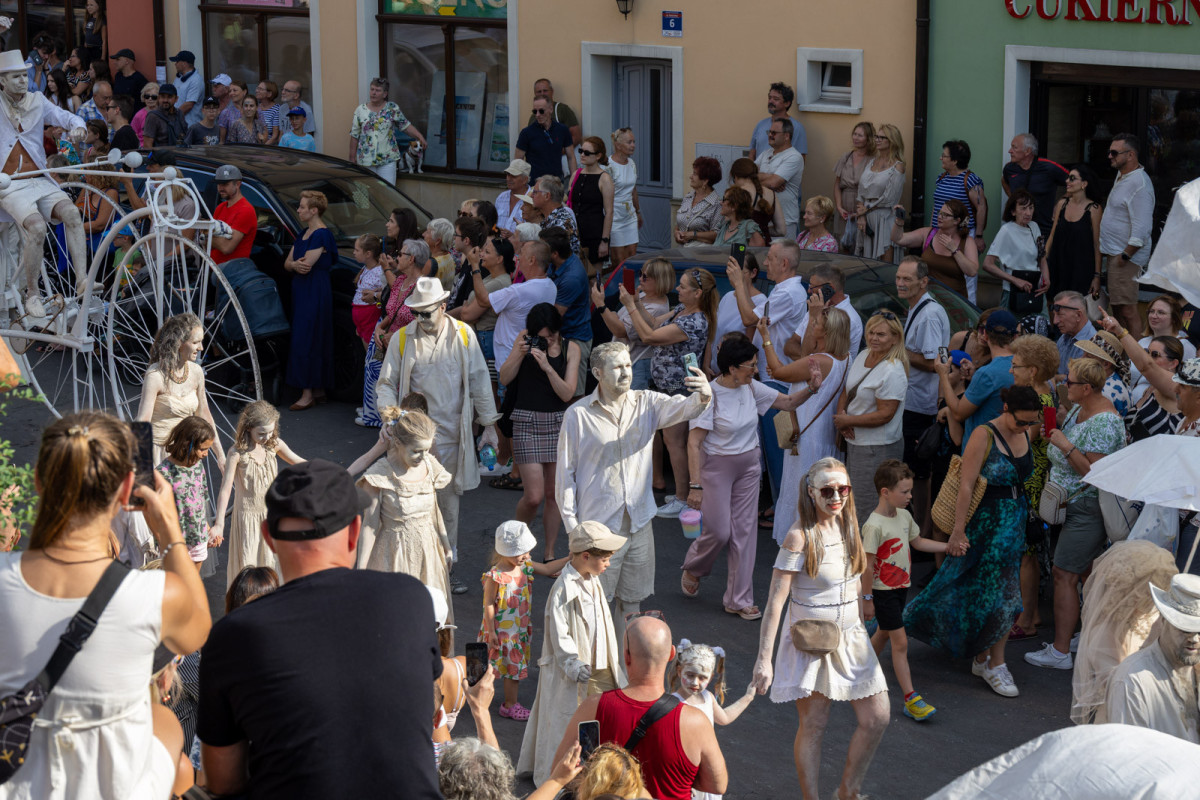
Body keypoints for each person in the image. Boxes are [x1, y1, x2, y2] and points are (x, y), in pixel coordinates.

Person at [197, 459, 443, 799]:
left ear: (269, 538)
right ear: (355, 531)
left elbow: (224, 781)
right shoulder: (412, 598)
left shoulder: (232, 636)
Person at [0, 411, 211, 799]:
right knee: (164, 722)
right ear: (129, 485)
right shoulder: (154, 595)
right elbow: (199, 627)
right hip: (113, 787)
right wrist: (169, 528)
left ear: (38, 481)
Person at [752, 457, 889, 800]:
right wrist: (763, 660)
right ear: (811, 493)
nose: (836, 497)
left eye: (843, 489)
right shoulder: (799, 536)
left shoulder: (850, 525)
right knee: (814, 724)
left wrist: (865, 616)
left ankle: (847, 791)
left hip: (852, 636)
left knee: (878, 717)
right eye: (827, 490)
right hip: (812, 638)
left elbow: (856, 583)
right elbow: (774, 601)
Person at [556, 342, 712, 640]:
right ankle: (597, 671)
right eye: (617, 367)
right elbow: (564, 475)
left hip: (639, 523)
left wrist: (704, 391)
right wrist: (573, 528)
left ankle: (626, 670)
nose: (626, 372)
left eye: (628, 365)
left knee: (632, 602)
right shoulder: (577, 415)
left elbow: (689, 406)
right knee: (595, 605)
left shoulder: (648, 402)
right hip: (598, 528)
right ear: (598, 373)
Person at [906, 387, 1040, 698]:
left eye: (1030, 423)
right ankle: (988, 661)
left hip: (1014, 524)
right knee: (970, 587)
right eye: (1021, 421)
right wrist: (958, 529)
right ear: (1006, 408)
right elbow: (965, 485)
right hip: (985, 525)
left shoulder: (1029, 430)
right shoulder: (985, 433)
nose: (1026, 428)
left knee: (1003, 595)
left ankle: (989, 660)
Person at [372, 276, 502, 576]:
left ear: (443, 307)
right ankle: (410, 569)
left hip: (452, 437)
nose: (420, 318)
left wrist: (490, 427)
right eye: (415, 312)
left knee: (448, 507)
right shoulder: (404, 337)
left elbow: (480, 382)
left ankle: (446, 568)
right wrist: (391, 417)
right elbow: (386, 384)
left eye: (425, 312)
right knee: (407, 504)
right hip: (412, 439)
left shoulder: (463, 335)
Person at [680, 332, 816, 619]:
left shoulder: (752, 388)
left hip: (748, 466)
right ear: (732, 369)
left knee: (745, 533)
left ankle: (739, 599)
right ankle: (694, 566)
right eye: (751, 365)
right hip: (716, 467)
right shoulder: (709, 394)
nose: (756, 369)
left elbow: (789, 403)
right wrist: (695, 485)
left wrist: (812, 389)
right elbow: (693, 442)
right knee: (719, 531)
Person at [553, 615, 729, 800]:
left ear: (626, 656)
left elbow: (561, 772)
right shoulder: (695, 722)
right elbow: (718, 785)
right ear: (671, 655)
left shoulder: (593, 707)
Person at [1025, 358, 1124, 671]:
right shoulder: (1081, 410)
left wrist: (1065, 446)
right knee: (1084, 574)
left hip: (1086, 506)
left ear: (1087, 388)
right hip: (1071, 504)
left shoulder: (1105, 421)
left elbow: (1095, 472)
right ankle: (1088, 635)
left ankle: (1060, 652)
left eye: (1069, 382)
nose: (1063, 385)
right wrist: (1053, 435)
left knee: (1064, 575)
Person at [517, 521, 628, 786]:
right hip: (578, 672)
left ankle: (599, 772)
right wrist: (573, 664)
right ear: (586, 556)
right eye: (606, 558)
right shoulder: (564, 588)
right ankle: (562, 778)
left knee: (602, 721)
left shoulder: (593, 578)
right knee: (570, 723)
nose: (609, 564)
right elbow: (559, 633)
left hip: (601, 666)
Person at [620, 267, 719, 518]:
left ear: (697, 293)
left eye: (683, 286)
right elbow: (654, 322)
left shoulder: (693, 321)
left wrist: (629, 307)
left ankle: (683, 498)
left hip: (679, 389)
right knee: (672, 442)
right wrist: (635, 302)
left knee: (675, 443)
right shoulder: (681, 310)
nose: (677, 289)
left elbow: (650, 336)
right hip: (669, 388)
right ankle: (681, 494)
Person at [0, 51, 89, 316]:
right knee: (37, 227)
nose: (21, 81)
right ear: (2, 82)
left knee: (73, 213)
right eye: (14, 77)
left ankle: (82, 280)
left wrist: (79, 125)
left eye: (23, 75)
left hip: (39, 178)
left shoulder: (38, 100)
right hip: (9, 183)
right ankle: (32, 294)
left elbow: (67, 117)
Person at [860, 460, 948, 719]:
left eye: (910, 491)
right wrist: (867, 599)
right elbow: (867, 567)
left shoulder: (905, 516)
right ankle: (911, 698)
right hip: (882, 591)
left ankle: (859, 671)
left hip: (900, 588)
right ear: (885, 492)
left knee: (885, 632)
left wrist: (947, 547)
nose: (911, 496)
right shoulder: (873, 525)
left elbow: (918, 542)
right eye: (905, 491)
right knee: (900, 642)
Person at [765, 308, 853, 544]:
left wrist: (765, 338)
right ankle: (819, 538)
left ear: (827, 330)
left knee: (802, 486)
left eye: (817, 321)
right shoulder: (845, 359)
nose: (812, 323)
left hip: (807, 434)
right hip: (824, 433)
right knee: (821, 487)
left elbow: (779, 372)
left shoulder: (820, 361)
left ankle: (799, 540)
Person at [499, 304, 580, 558]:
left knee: (554, 495)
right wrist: (518, 354)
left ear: (558, 331)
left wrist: (546, 366)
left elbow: (567, 392)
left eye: (550, 336)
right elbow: (504, 378)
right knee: (533, 496)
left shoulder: (571, 348)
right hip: (526, 421)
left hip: (557, 422)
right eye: (541, 337)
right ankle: (516, 544)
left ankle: (549, 551)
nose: (545, 341)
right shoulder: (524, 340)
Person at [1071, 540, 1178, 726]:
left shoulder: (1153, 618)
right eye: (1150, 595)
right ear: (1131, 593)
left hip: (1160, 708)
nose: (1155, 603)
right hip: (1124, 715)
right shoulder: (1103, 636)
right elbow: (1117, 685)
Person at [479, 520, 570, 721]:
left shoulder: (525, 567)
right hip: (498, 630)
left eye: (527, 552)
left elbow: (547, 570)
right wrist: (491, 631)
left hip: (517, 631)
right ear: (505, 551)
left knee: (513, 667)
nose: (527, 556)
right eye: (522, 553)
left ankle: (509, 705)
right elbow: (488, 604)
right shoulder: (496, 576)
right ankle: (477, 696)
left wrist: (569, 558)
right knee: (488, 666)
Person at [211, 401, 305, 588]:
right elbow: (225, 489)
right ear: (248, 428)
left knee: (271, 564)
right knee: (250, 566)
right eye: (261, 433)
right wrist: (219, 523)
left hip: (271, 516)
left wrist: (324, 471)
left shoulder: (274, 445)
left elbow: (297, 461)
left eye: (270, 431)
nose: (266, 436)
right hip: (248, 519)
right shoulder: (237, 453)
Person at [1006, 334, 1061, 641]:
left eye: (1016, 365)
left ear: (1033, 371)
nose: (1011, 370)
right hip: (1032, 477)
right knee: (1028, 551)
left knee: (1027, 553)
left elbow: (1027, 441)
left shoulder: (1039, 400)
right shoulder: (1045, 394)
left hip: (1031, 480)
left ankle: (1027, 618)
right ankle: (1031, 612)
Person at [834, 310, 910, 523]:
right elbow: (846, 390)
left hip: (877, 447)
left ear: (895, 338)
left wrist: (848, 421)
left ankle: (868, 554)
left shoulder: (893, 370)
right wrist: (842, 418)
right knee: (856, 502)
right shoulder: (863, 355)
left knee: (868, 507)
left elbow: (886, 414)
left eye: (881, 335)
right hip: (856, 443)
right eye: (871, 332)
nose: (874, 338)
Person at [1105, 574, 1200, 741]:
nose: (1194, 639)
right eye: (1185, 629)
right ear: (1163, 620)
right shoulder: (1132, 680)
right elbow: (1130, 755)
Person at [895, 257, 951, 532]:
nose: (901, 284)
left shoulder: (928, 314)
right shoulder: (922, 309)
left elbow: (934, 363)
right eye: (899, 278)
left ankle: (921, 531)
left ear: (923, 282)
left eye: (907, 279)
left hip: (921, 405)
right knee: (915, 471)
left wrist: (897, 350)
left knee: (918, 474)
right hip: (917, 401)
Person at [667, 639, 756, 799]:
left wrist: (748, 697)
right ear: (679, 671)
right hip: (685, 774)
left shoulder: (708, 697)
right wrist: (683, 780)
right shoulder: (671, 703)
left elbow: (725, 717)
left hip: (706, 772)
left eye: (702, 678)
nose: (695, 682)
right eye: (690, 675)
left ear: (711, 677)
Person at [136, 313, 224, 467]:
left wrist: (221, 456)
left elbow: (205, 415)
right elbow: (143, 420)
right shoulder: (155, 376)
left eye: (201, 342)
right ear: (179, 343)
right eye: (195, 342)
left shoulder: (196, 372)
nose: (201, 348)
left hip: (186, 452)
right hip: (160, 455)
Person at [283, 189, 335, 411]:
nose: (298, 210)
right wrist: (293, 265)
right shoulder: (304, 232)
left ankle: (308, 393)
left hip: (314, 290)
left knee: (308, 337)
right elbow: (289, 263)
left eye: (302, 207)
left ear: (314, 211)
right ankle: (318, 389)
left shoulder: (322, 234)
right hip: (304, 291)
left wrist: (294, 265)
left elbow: (304, 266)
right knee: (310, 335)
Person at [1100, 133, 1155, 338]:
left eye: (1114, 153)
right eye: (1109, 152)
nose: (1110, 156)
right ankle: (1123, 356)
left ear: (1130, 155)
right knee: (1118, 311)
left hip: (1125, 257)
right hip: (1116, 254)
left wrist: (1125, 256)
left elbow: (1142, 228)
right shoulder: (1124, 175)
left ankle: (1135, 361)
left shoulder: (1139, 183)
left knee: (1128, 310)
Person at [939, 309, 1017, 449]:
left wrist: (943, 375)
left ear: (986, 334)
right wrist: (975, 376)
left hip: (981, 453)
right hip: (1008, 449)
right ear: (1015, 337)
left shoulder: (987, 373)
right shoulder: (1019, 364)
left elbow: (958, 413)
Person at [591, 256, 672, 390]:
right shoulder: (641, 296)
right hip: (628, 362)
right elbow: (617, 317)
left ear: (659, 281)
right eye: (640, 274)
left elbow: (620, 331)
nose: (640, 279)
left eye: (645, 277)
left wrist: (600, 304)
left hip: (636, 366)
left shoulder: (656, 308)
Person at [931, 140, 988, 297]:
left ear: (955, 161)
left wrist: (978, 235)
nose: (941, 158)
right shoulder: (942, 178)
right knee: (941, 274)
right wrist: (931, 230)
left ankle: (969, 315)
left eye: (944, 155)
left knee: (966, 280)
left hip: (962, 235)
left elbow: (981, 207)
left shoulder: (970, 181)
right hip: (939, 234)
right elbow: (936, 206)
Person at [891, 199, 979, 298]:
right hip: (928, 297)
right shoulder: (928, 233)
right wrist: (899, 221)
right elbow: (898, 239)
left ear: (956, 221)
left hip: (954, 301)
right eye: (939, 213)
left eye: (945, 215)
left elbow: (972, 271)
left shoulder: (967, 241)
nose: (939, 217)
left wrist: (954, 250)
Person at [1042, 163, 1103, 303]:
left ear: (1084, 184)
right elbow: (1052, 235)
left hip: (1081, 268)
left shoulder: (1094, 209)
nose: (1067, 181)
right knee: (1054, 304)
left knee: (1076, 307)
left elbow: (1096, 244)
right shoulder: (1062, 204)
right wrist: (1043, 262)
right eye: (1068, 178)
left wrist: (1097, 276)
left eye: (1072, 178)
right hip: (1058, 264)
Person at [350, 77, 426, 183]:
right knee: (366, 193)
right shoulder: (360, 110)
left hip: (387, 160)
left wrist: (419, 136)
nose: (374, 93)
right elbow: (354, 135)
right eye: (372, 89)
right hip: (365, 160)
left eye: (377, 90)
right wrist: (352, 159)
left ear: (385, 94)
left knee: (387, 191)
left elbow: (405, 126)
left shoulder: (392, 108)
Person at [984, 189, 1044, 311]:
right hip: (1014, 291)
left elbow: (1042, 255)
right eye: (1023, 208)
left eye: (1031, 208)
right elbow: (987, 265)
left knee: (1040, 327)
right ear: (1013, 211)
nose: (1028, 212)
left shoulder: (1034, 226)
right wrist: (1014, 280)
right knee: (1012, 328)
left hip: (1035, 289)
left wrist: (1046, 278)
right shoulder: (1006, 231)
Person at [855, 124, 905, 261]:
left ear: (892, 141)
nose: (877, 140)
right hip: (866, 217)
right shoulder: (871, 162)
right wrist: (861, 216)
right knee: (866, 262)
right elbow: (860, 192)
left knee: (885, 263)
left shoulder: (898, 166)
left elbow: (890, 198)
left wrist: (866, 210)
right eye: (877, 136)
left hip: (884, 217)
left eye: (882, 137)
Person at [1001, 133, 1069, 233]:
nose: (1009, 151)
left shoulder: (1049, 167)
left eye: (1014, 148)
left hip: (1044, 229)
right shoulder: (1009, 168)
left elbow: (1077, 181)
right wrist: (1013, 198)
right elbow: (1004, 180)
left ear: (1027, 151)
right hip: (1019, 227)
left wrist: (1061, 203)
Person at [1132, 295, 1196, 396]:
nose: (1153, 316)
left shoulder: (1185, 347)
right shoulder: (1142, 342)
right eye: (1151, 311)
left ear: (1174, 318)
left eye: (1161, 312)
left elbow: (1190, 386)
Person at [570, 136, 615, 269]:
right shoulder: (576, 174)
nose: (582, 155)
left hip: (594, 234)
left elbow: (609, 212)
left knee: (594, 278)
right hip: (576, 233)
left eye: (587, 153)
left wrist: (604, 241)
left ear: (598, 156)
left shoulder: (604, 179)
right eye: (581, 151)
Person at [756, 117, 805, 239]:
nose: (770, 135)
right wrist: (769, 176)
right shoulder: (766, 153)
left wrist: (758, 180)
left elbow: (774, 183)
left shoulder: (794, 157)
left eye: (774, 133)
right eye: (769, 132)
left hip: (784, 221)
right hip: (763, 218)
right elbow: (746, 175)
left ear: (787, 136)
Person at [832, 121, 874, 245]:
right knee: (843, 242)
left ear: (868, 139)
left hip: (863, 209)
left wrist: (863, 212)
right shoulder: (846, 157)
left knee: (861, 244)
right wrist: (839, 206)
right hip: (844, 207)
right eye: (854, 134)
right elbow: (837, 185)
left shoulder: (873, 160)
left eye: (860, 135)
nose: (855, 138)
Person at [515, 95, 575, 181]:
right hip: (535, 185)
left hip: (556, 184)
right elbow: (518, 161)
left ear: (551, 109)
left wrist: (573, 181)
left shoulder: (562, 130)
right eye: (535, 111)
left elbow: (571, 157)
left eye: (541, 111)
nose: (538, 115)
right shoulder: (526, 133)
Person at [748, 81, 807, 162]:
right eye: (769, 98)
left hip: (781, 173)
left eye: (776, 99)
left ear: (786, 103)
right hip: (758, 172)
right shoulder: (761, 124)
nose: (771, 101)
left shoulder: (796, 127)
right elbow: (752, 152)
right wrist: (751, 172)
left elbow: (801, 159)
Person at [210, 164, 257, 265]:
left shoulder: (246, 210)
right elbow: (207, 244)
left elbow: (226, 247)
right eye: (218, 184)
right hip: (214, 270)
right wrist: (208, 237)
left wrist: (206, 235)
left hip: (232, 273)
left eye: (225, 184)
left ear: (238, 184)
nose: (220, 188)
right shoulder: (220, 207)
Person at [729, 156, 784, 242]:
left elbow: (728, 224)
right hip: (764, 246)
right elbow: (781, 230)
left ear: (735, 177)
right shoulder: (771, 194)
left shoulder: (737, 193)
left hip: (741, 245)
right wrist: (760, 231)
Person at [607, 127, 640, 264]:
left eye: (634, 141)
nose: (633, 145)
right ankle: (620, 285)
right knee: (619, 260)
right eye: (629, 142)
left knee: (632, 255)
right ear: (618, 145)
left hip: (629, 216)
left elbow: (633, 189)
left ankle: (630, 285)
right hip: (615, 217)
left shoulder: (631, 164)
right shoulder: (608, 166)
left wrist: (638, 211)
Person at [674, 156, 723, 247]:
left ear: (705, 181)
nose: (690, 177)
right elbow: (680, 224)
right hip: (682, 252)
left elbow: (717, 234)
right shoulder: (688, 197)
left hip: (701, 255)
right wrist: (676, 233)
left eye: (695, 174)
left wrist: (693, 235)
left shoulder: (716, 204)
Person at [528, 176, 580, 255]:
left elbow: (556, 259)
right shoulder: (552, 217)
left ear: (547, 196)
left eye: (535, 192)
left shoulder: (560, 222)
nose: (531, 195)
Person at [1051, 290, 1097, 376]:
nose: (1055, 321)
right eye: (1054, 315)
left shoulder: (1091, 344)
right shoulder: (1066, 335)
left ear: (1078, 315)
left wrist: (1055, 379)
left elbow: (1077, 384)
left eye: (1060, 315)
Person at [528, 77, 581, 145]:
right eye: (539, 91)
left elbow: (576, 136)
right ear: (535, 94)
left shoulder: (562, 109)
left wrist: (558, 151)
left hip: (563, 154)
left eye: (545, 90)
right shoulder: (534, 116)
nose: (542, 94)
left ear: (552, 91)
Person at [140, 81, 182, 147]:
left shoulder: (179, 114)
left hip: (180, 155)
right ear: (159, 98)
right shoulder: (153, 117)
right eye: (163, 97)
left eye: (169, 97)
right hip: (160, 156)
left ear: (176, 99)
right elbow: (147, 146)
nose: (165, 100)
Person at [497, 158, 532, 237]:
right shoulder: (501, 197)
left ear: (525, 180)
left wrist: (513, 236)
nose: (509, 178)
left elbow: (535, 231)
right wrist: (496, 231)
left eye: (514, 176)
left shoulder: (532, 199)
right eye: (508, 174)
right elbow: (493, 224)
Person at [168, 50, 202, 127]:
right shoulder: (179, 78)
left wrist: (171, 117)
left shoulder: (196, 80)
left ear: (184, 63)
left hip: (190, 126)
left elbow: (189, 105)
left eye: (177, 62)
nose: (175, 64)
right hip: (179, 124)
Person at [254, 80, 283, 145]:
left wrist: (263, 148)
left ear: (269, 94)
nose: (256, 91)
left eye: (260, 89)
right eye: (257, 88)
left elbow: (275, 136)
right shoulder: (255, 107)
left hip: (267, 148)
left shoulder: (276, 109)